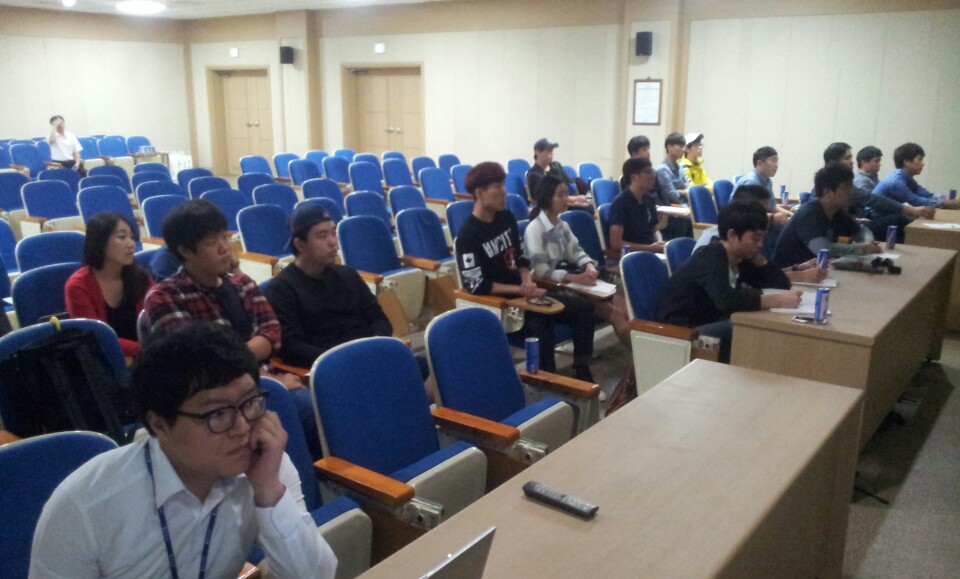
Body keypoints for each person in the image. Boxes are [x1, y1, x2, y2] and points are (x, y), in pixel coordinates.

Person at [30, 323, 337, 578]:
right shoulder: (86, 505)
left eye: (249, 402)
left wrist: (268, 490)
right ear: (159, 424)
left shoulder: (265, 464)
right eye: (217, 414)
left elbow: (317, 576)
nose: (243, 426)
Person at [141, 199, 300, 394]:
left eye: (225, 237)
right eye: (211, 242)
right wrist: (262, 373)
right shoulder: (165, 297)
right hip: (212, 398)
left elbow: (272, 334)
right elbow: (198, 363)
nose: (224, 248)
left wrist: (236, 361)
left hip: (264, 382)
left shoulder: (243, 284)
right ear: (185, 251)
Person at [456, 162, 596, 380]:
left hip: (525, 294)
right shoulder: (468, 235)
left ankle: (581, 369)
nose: (504, 191)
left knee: (584, 309)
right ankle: (546, 383)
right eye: (497, 186)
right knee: (541, 325)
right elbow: (476, 284)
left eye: (503, 184)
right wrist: (521, 289)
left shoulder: (506, 218)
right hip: (500, 304)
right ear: (479, 192)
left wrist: (526, 280)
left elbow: (521, 256)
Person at [658, 201, 801, 363]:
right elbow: (726, 300)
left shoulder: (739, 258)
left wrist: (758, 258)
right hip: (681, 331)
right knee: (747, 328)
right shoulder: (711, 256)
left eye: (762, 238)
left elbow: (781, 284)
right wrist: (775, 300)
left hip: (708, 321)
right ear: (732, 235)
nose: (760, 244)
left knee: (751, 325)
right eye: (755, 238)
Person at [525, 175, 631, 345]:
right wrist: (574, 278)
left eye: (566, 194)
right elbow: (540, 270)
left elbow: (576, 252)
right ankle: (641, 357)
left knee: (625, 307)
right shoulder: (535, 229)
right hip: (556, 287)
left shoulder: (562, 225)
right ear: (547, 198)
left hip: (575, 281)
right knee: (616, 314)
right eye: (560, 195)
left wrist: (589, 266)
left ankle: (644, 348)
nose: (566, 199)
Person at [693, 185, 826, 285]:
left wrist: (797, 268)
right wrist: (800, 276)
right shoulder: (717, 244)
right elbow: (728, 294)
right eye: (761, 212)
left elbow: (761, 275)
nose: (763, 217)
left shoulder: (748, 236)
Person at [65, 212, 152, 357]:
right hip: (104, 360)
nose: (131, 244)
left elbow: (155, 320)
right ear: (99, 241)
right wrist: (146, 350)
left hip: (145, 357)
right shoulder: (78, 286)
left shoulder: (141, 277)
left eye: (132, 237)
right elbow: (96, 337)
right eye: (122, 237)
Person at [773, 163, 881, 268]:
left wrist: (869, 242)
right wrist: (861, 248)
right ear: (827, 192)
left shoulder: (837, 212)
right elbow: (823, 249)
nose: (851, 191)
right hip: (789, 275)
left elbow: (862, 230)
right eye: (846, 187)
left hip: (816, 271)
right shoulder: (809, 214)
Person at [824, 142, 929, 243]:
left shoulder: (844, 180)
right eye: (847, 158)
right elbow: (870, 199)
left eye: (851, 158)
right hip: (839, 233)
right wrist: (908, 209)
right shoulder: (833, 181)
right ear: (833, 161)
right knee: (898, 220)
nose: (851, 162)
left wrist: (856, 219)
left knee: (897, 220)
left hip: (852, 223)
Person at [873, 142, 960, 209]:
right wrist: (947, 203)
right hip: (875, 219)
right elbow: (916, 201)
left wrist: (948, 199)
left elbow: (927, 195)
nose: (923, 163)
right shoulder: (896, 181)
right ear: (906, 161)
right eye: (920, 159)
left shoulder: (907, 178)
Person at [608, 157, 665, 254]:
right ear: (634, 177)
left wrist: (659, 242)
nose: (653, 176)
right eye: (648, 172)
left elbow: (655, 230)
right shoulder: (620, 203)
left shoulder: (649, 199)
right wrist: (651, 248)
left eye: (652, 171)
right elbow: (616, 244)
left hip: (651, 251)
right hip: (632, 255)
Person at [526, 138, 591, 211]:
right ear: (538, 152)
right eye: (548, 151)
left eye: (552, 151)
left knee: (588, 205)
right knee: (587, 209)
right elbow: (547, 198)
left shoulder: (555, 167)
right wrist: (574, 199)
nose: (551, 153)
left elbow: (568, 183)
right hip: (551, 209)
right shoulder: (533, 174)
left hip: (563, 202)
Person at [735, 146, 792, 225]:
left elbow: (772, 205)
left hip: (760, 222)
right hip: (745, 225)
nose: (776, 165)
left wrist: (791, 215)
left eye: (777, 161)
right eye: (773, 161)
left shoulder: (768, 181)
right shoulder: (751, 182)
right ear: (759, 163)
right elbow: (748, 215)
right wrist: (773, 217)